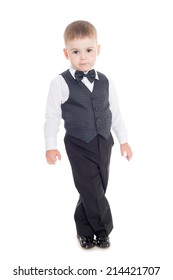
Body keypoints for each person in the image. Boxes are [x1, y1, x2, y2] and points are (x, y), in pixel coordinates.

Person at [44, 20, 133, 249]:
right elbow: (52, 117)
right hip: (78, 144)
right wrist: (50, 145)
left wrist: (124, 141)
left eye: (88, 50)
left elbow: (116, 112)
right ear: (66, 53)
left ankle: (83, 228)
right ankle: (102, 231)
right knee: (91, 187)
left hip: (104, 141)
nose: (83, 57)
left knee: (97, 187)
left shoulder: (106, 81)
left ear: (98, 50)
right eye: (75, 51)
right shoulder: (60, 83)